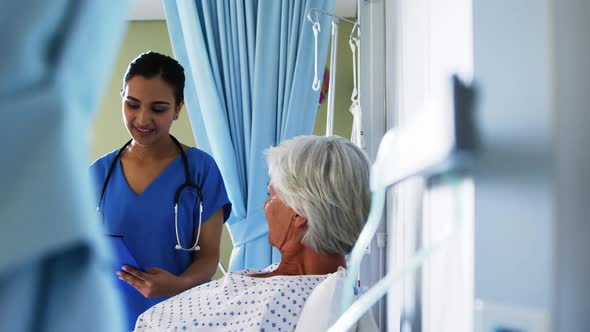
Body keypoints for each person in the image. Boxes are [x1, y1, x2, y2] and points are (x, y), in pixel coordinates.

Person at [134, 135, 371, 331]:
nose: (265, 207)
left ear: (299, 214)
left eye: (272, 196)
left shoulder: (284, 303)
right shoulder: (282, 278)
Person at [89, 51, 232, 331]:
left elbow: (207, 257)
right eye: (132, 105)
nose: (142, 119)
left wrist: (177, 284)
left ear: (178, 108)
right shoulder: (97, 174)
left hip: (180, 317)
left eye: (158, 109)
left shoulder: (201, 170)